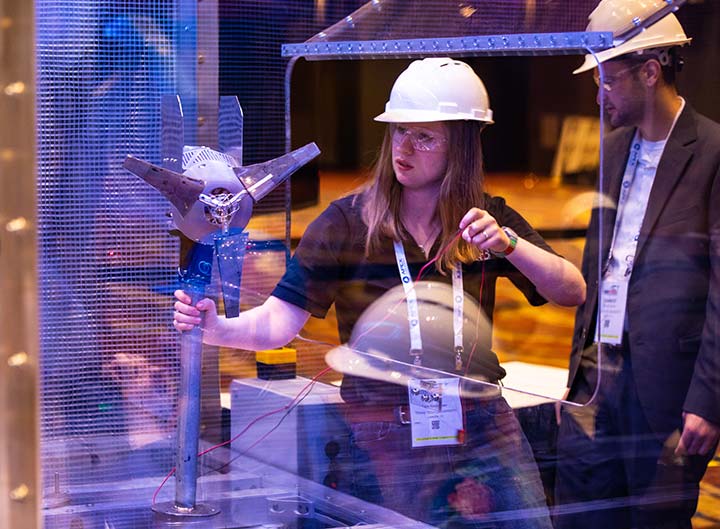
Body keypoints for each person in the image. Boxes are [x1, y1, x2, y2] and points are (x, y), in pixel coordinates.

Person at [174, 57, 585, 527]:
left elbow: (571, 290)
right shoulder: (348, 222)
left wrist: (510, 246)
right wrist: (217, 328)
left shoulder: (489, 220)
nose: (404, 148)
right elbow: (277, 323)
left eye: (424, 137)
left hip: (482, 415)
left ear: (463, 149)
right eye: (398, 132)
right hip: (384, 422)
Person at [553, 1, 720, 528]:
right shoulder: (611, 148)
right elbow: (599, 266)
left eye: (606, 78)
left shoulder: (714, 152)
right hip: (594, 381)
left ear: (650, 72)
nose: (597, 92)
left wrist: (709, 399)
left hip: (665, 391)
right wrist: (575, 379)